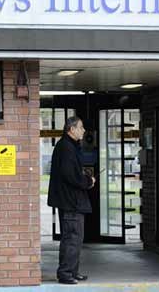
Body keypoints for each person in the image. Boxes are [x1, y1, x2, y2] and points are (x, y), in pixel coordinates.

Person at [47, 116, 96, 285]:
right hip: (71, 202)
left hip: (71, 201)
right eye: (81, 127)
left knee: (75, 237)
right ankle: (66, 273)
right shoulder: (66, 148)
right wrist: (88, 181)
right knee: (72, 238)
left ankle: (72, 271)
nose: (83, 131)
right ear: (71, 129)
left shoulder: (68, 146)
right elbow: (70, 175)